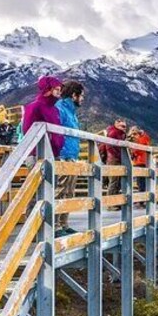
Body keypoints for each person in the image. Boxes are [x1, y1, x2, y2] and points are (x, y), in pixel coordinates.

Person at [55, 81, 85, 235]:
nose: (82, 99)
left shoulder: (71, 111)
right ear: (74, 95)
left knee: (69, 192)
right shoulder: (60, 108)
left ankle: (64, 224)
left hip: (72, 155)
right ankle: (55, 226)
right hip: (63, 155)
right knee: (60, 190)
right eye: (81, 96)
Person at [22, 75, 64, 157]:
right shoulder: (34, 107)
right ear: (48, 89)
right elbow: (27, 130)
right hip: (38, 153)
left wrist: (59, 144)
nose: (59, 92)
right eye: (56, 89)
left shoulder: (55, 109)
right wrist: (32, 153)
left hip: (55, 153)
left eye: (60, 90)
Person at [102, 118, 127, 209]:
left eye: (125, 126)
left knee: (118, 182)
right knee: (114, 181)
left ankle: (115, 202)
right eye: (122, 126)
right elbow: (109, 147)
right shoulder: (113, 133)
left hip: (117, 159)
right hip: (113, 159)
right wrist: (117, 155)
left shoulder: (121, 134)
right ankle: (110, 204)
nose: (124, 128)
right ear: (116, 124)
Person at [128, 126, 151, 200]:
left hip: (141, 161)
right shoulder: (141, 138)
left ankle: (142, 200)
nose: (133, 136)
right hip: (138, 161)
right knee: (140, 182)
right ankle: (142, 199)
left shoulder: (143, 138)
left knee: (141, 182)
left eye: (134, 134)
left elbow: (139, 149)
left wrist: (133, 151)